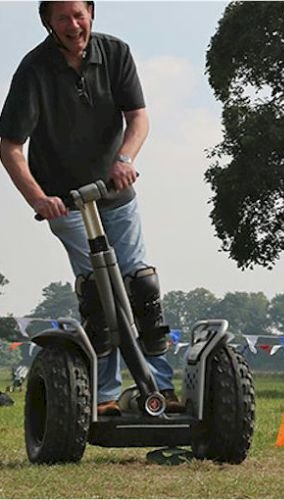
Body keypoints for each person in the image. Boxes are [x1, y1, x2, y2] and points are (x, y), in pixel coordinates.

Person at [0, 1, 183, 415]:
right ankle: (103, 397)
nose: (73, 24)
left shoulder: (115, 53)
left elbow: (138, 117)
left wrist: (125, 160)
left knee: (141, 286)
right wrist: (37, 198)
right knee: (100, 294)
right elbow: (10, 145)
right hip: (66, 204)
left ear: (92, 14)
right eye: (62, 17)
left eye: (79, 14)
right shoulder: (34, 69)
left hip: (115, 194)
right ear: (48, 22)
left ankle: (160, 387)